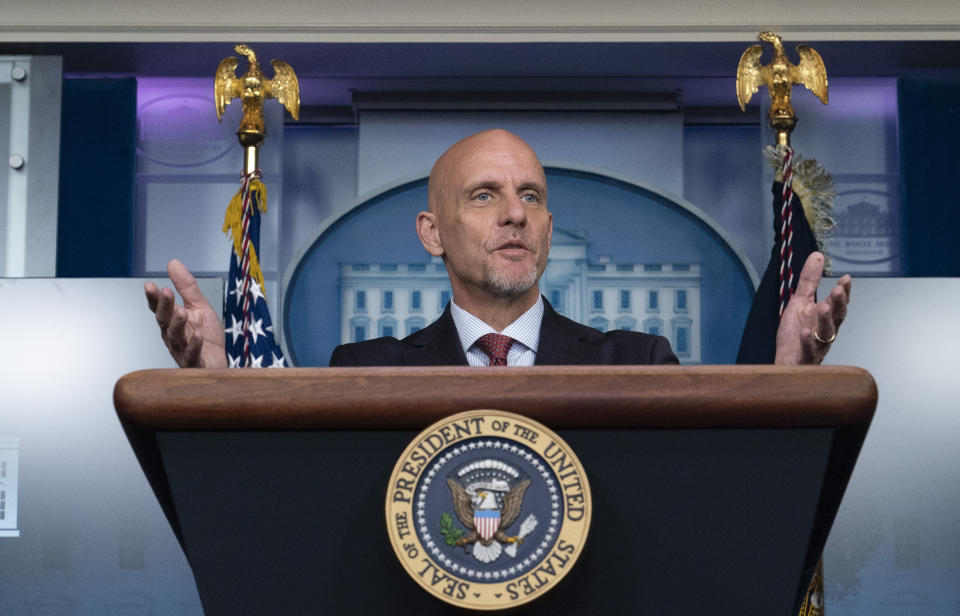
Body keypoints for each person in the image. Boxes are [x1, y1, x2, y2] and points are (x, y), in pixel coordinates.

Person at [144, 129, 850, 368]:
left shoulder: (636, 363)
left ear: (547, 229)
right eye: (483, 196)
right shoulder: (365, 373)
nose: (515, 213)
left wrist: (788, 385)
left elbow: (714, 514)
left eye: (533, 197)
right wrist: (220, 390)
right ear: (431, 233)